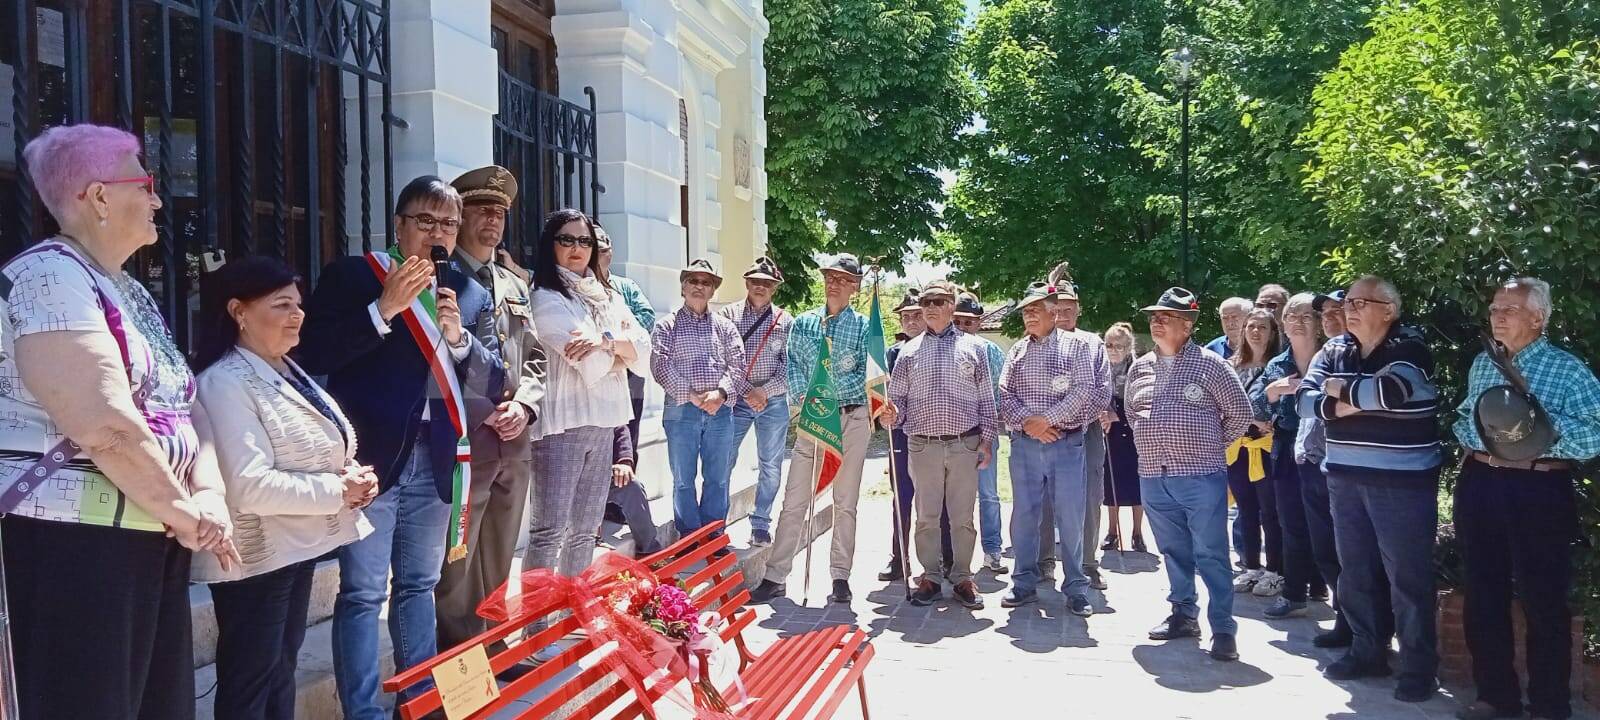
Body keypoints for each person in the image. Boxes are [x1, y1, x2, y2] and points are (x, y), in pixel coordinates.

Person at [0, 124, 237, 720]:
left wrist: (206, 493)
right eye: (147, 182)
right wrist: (184, 512)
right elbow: (103, 423)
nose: (159, 200)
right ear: (99, 197)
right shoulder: (49, 276)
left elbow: (186, 401)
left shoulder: (126, 288)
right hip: (73, 546)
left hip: (144, 533)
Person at [299, 175, 504, 719]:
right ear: (399, 224)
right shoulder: (354, 276)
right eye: (425, 221)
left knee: (419, 586)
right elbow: (314, 354)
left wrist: (461, 341)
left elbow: (493, 379)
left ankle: (419, 703)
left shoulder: (468, 288)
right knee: (364, 593)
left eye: (448, 224)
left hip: (438, 461)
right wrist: (382, 311)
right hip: (374, 461)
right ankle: (363, 712)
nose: (437, 234)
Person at [192, 256, 376, 720]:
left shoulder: (284, 368)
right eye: (281, 305)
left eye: (298, 304)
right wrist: (339, 490)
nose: (298, 315)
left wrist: (354, 478)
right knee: (251, 678)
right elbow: (250, 484)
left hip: (294, 547)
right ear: (238, 311)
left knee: (280, 669)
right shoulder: (225, 382)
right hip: (255, 557)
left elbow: (315, 446)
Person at [1452, 278, 1600, 720]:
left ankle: (1550, 705)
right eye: (1495, 307)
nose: (1498, 314)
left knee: (1544, 599)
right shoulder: (1483, 363)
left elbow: (1594, 434)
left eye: (1510, 309)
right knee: (1483, 592)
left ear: (1538, 317)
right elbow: (1463, 416)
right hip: (1480, 482)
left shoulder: (1568, 369)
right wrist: (1483, 437)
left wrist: (1531, 439)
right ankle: (1496, 698)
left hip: (1539, 488)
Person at [1297, 275, 1442, 703]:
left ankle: (1418, 668)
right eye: (1349, 302)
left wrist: (1338, 391)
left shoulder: (1409, 347)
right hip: (1344, 477)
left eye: (1362, 302)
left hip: (1402, 483)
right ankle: (1367, 652)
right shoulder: (1337, 347)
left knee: (1407, 577)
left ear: (1389, 310)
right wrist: (1348, 398)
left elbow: (1390, 392)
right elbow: (1305, 400)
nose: (1350, 309)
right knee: (1354, 571)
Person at [433, 166, 549, 651]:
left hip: (514, 438)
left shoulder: (512, 283)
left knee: (501, 553)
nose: (492, 220)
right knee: (456, 563)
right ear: (460, 217)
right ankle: (461, 664)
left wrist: (525, 404)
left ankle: (496, 650)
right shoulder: (442, 278)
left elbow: (534, 356)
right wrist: (487, 412)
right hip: (467, 440)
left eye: (499, 212)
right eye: (481, 210)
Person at [1126, 287, 1252, 662]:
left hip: (1200, 476)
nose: (1155, 321)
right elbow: (1133, 413)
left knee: (1211, 553)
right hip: (1153, 475)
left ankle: (1224, 629)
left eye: (1165, 316)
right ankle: (1183, 614)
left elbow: (1240, 415)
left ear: (1187, 324)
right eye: (1153, 316)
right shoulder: (1140, 367)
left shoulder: (1212, 365)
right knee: (1173, 551)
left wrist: (1208, 446)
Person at [525, 209, 651, 578]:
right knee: (549, 533)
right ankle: (537, 628)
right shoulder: (546, 297)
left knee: (584, 533)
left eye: (585, 241)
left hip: (605, 422)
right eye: (567, 239)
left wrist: (606, 341)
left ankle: (570, 615)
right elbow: (592, 367)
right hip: (563, 426)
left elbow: (644, 352)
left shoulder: (605, 296)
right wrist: (619, 351)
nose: (577, 248)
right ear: (551, 245)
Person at [751, 254, 874, 605]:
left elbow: (864, 375)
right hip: (812, 419)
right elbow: (792, 365)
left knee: (845, 501)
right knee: (794, 500)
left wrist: (826, 388)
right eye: (829, 277)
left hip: (850, 420)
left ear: (855, 286)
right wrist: (808, 396)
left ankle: (840, 577)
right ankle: (776, 575)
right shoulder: (803, 323)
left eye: (842, 279)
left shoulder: (865, 328)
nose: (834, 283)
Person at [882, 279, 999, 610]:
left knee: (962, 517)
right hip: (922, 445)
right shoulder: (907, 351)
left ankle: (962, 577)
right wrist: (891, 414)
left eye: (938, 301)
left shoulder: (974, 348)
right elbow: (899, 401)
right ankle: (931, 577)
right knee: (926, 516)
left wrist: (987, 440)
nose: (931, 307)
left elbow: (986, 400)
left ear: (952, 306)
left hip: (964, 444)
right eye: (926, 302)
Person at [996, 282, 1101, 614]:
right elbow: (1005, 393)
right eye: (1025, 311)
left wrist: (1047, 420)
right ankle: (1023, 583)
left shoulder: (1077, 347)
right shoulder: (1017, 350)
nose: (1028, 316)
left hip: (1066, 444)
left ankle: (1075, 588)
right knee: (1024, 517)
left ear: (1054, 312)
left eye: (1035, 310)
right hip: (1025, 445)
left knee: (1070, 518)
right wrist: (1030, 422)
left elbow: (1083, 391)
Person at [653, 258, 746, 536]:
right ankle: (689, 536)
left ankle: (713, 536)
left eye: (706, 282)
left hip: (720, 411)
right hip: (682, 411)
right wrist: (691, 395)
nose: (699, 286)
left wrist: (720, 393)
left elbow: (738, 364)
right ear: (683, 286)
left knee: (718, 478)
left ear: (713, 290)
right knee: (683, 479)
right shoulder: (666, 326)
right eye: (693, 280)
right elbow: (660, 365)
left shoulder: (726, 327)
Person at [1249, 293, 1329, 619]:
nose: (1297, 321)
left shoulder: (1332, 358)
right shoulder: (1276, 365)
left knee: (1327, 524)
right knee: (1292, 522)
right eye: (1291, 315)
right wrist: (1273, 391)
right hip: (1286, 450)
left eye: (1306, 315)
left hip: (1327, 451)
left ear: (1320, 323)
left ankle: (1323, 583)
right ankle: (1294, 592)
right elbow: (1256, 409)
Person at [1043, 265, 1113, 591]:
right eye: (1057, 309)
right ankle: (1043, 563)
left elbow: (1101, 390)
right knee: (1042, 497)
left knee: (1089, 497)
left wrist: (1073, 413)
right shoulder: (1038, 341)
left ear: (1078, 309)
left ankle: (1088, 563)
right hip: (1044, 432)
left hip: (1086, 430)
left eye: (1069, 309)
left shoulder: (1092, 343)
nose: (1063, 315)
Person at [880, 289, 954, 582]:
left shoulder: (942, 347)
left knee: (942, 499)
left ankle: (947, 557)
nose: (910, 321)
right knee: (902, 497)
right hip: (900, 434)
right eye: (905, 316)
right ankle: (900, 558)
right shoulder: (892, 353)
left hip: (933, 435)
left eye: (915, 315)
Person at [720, 256, 791, 548]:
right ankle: (715, 524)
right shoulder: (728, 315)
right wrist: (748, 390)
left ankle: (761, 524)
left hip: (772, 401)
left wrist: (766, 391)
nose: (760, 287)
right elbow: (723, 359)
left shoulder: (786, 321)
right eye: (756, 281)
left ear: (774, 287)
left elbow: (792, 364)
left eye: (767, 283)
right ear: (747, 283)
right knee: (723, 461)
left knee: (771, 465)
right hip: (736, 399)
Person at [1228, 309, 1284, 597]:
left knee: (1270, 511)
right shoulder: (1232, 365)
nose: (1255, 332)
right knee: (1246, 509)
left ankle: (1275, 571)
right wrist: (1249, 419)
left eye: (1262, 327)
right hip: (1238, 447)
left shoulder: (1280, 367)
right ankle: (1251, 567)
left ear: (1273, 332)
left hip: (1266, 448)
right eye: (1251, 326)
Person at [954, 291, 1008, 574]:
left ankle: (993, 550)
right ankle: (953, 554)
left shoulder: (991, 351)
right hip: (952, 435)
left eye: (969, 322)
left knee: (988, 494)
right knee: (953, 497)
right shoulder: (944, 347)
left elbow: (1001, 391)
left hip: (983, 432)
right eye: (958, 321)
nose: (963, 327)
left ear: (979, 323)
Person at [592, 227, 656, 451]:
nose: (602, 253)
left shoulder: (625, 286)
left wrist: (617, 339)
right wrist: (620, 333)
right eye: (597, 249)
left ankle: (627, 480)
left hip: (630, 373)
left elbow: (647, 317)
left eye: (605, 248)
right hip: (597, 373)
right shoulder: (580, 287)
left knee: (630, 433)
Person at [1099, 322, 1145, 552]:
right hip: (1108, 432)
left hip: (1134, 431)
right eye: (1109, 344)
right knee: (1111, 482)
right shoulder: (1100, 367)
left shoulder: (1139, 368)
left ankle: (1138, 533)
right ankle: (1112, 532)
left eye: (1119, 345)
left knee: (1136, 483)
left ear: (1128, 347)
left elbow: (1144, 403)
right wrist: (1102, 414)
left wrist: (1116, 416)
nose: (1113, 349)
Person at [605, 424, 663, 557]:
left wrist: (624, 462)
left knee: (631, 485)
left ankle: (649, 551)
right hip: (564, 475)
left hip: (598, 471)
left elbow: (620, 428)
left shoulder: (604, 404)